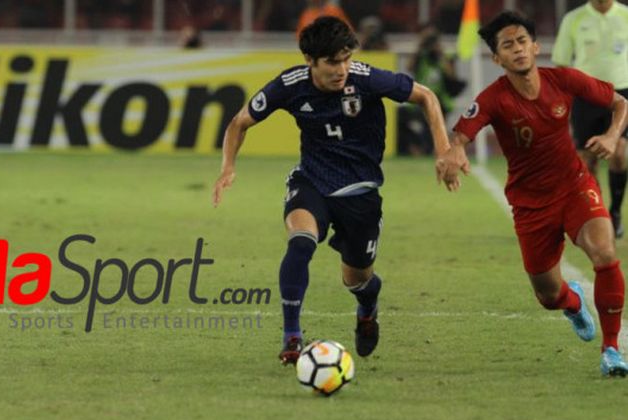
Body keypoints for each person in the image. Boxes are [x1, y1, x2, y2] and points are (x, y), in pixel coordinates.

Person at [214, 16, 462, 364]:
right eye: (332, 62)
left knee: (357, 279)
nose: (342, 68)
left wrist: (442, 150)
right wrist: (228, 166)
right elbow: (240, 122)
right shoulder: (290, 85)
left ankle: (367, 307)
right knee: (300, 243)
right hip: (312, 181)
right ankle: (291, 337)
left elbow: (426, 96)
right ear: (310, 61)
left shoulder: (367, 78)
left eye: (345, 58)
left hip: (360, 193)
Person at [439, 11, 628, 376]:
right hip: (530, 205)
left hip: (574, 186)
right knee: (548, 296)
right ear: (497, 59)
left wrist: (611, 135)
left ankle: (611, 351)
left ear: (536, 46)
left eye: (522, 41)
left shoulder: (564, 79)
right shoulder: (493, 98)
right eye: (507, 45)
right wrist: (454, 153)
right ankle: (572, 302)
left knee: (605, 253)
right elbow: (460, 135)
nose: (518, 49)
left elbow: (621, 103)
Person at [551, 0, 628, 238]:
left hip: (623, 93)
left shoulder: (625, 16)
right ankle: (597, 214)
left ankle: (614, 212)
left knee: (620, 151)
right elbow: (562, 62)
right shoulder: (573, 19)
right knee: (586, 160)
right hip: (586, 96)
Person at [398, 25, 465, 155]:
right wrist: (420, 47)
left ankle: (434, 149)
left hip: (439, 100)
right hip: (419, 99)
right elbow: (409, 67)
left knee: (435, 128)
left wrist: (440, 54)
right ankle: (415, 148)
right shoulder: (421, 56)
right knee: (402, 117)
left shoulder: (443, 57)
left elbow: (451, 75)